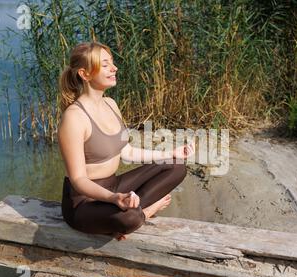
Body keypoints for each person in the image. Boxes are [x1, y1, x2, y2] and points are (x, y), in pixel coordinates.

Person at [57, 42, 195, 241]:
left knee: (176, 166)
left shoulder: (111, 104)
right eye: (105, 65)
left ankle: (134, 212)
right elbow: (78, 180)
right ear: (85, 74)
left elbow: (127, 152)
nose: (114, 68)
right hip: (83, 202)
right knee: (130, 218)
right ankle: (143, 214)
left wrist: (170, 153)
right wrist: (113, 199)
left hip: (114, 185)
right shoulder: (74, 118)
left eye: (112, 63)